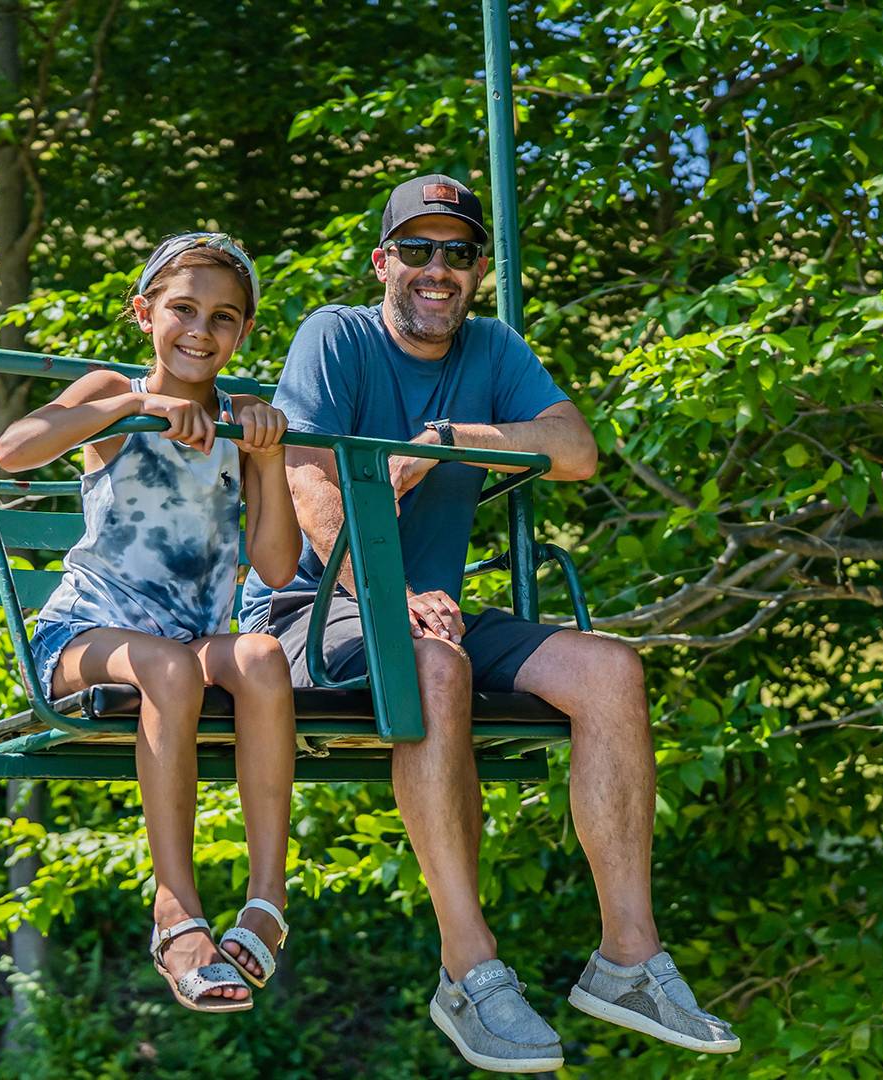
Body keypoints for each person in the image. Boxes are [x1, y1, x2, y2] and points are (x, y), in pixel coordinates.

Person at [240, 176, 741, 1068]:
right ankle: (467, 970)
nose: (440, 270)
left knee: (611, 670)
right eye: (420, 250)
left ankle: (628, 956)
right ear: (383, 261)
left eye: (460, 253)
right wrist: (381, 595)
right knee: (436, 665)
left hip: (436, 614)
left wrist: (454, 440)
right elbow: (308, 479)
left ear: (478, 270)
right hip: (315, 615)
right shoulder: (337, 334)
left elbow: (577, 452)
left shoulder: (492, 348)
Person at [0, 233, 298, 1013]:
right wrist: (131, 407)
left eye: (224, 317)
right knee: (164, 665)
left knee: (263, 654)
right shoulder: (113, 392)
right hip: (83, 637)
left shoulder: (241, 421)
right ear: (145, 313)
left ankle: (268, 899)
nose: (201, 330)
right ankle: (175, 910)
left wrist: (266, 459)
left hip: (192, 640)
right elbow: (13, 452)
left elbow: (273, 569)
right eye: (183, 309)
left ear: (244, 334)